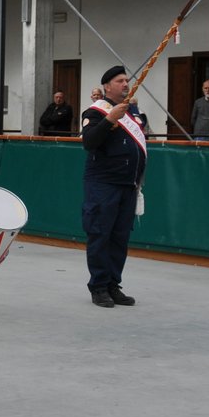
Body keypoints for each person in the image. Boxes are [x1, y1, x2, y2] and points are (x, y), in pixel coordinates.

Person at [82, 64, 147, 308]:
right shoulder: (95, 112)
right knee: (100, 234)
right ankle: (98, 286)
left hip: (127, 185)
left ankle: (113, 284)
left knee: (120, 237)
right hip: (103, 184)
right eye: (120, 80)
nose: (125, 84)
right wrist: (110, 119)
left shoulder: (133, 113)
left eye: (126, 80)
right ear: (107, 86)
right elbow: (89, 142)